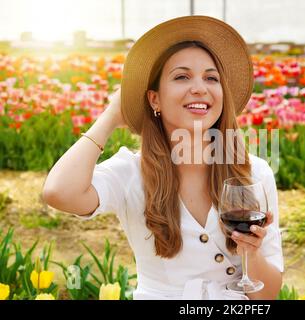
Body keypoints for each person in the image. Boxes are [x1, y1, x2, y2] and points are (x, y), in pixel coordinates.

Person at [42, 15, 283, 300]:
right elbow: (59, 192)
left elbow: (267, 296)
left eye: (211, 78)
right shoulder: (130, 172)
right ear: (154, 99)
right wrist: (111, 115)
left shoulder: (254, 174)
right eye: (182, 76)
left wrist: (251, 254)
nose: (199, 88)